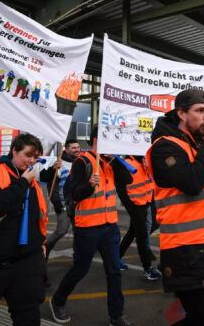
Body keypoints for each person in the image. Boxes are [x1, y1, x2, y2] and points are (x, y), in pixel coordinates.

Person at [146, 89, 204, 326]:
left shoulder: (195, 144)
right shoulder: (165, 147)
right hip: (187, 251)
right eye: (199, 111)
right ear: (181, 113)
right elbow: (193, 182)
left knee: (198, 319)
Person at [49, 127, 134, 326]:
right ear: (98, 139)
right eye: (110, 138)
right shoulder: (82, 162)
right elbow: (75, 194)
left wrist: (118, 160)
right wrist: (89, 184)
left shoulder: (111, 162)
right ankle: (58, 300)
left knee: (114, 271)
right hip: (87, 228)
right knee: (80, 269)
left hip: (110, 227)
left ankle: (116, 316)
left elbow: (128, 180)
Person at [0, 133, 47, 325]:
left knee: (28, 316)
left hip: (26, 261)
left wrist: (41, 243)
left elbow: (38, 216)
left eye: (36, 157)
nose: (31, 161)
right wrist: (22, 184)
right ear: (14, 150)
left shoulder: (31, 180)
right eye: (28, 155)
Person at [116, 155, 161, 280]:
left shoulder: (143, 160)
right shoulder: (127, 163)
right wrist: (130, 207)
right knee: (141, 235)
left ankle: (117, 258)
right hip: (135, 205)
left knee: (132, 232)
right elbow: (121, 189)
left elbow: (148, 182)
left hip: (145, 202)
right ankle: (147, 269)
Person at [40, 139, 81, 258]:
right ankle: (45, 252)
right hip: (64, 205)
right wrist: (58, 205)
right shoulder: (59, 162)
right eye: (73, 148)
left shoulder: (80, 162)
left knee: (79, 233)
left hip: (77, 205)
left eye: (78, 147)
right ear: (66, 149)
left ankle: (77, 256)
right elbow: (47, 181)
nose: (77, 150)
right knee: (61, 231)